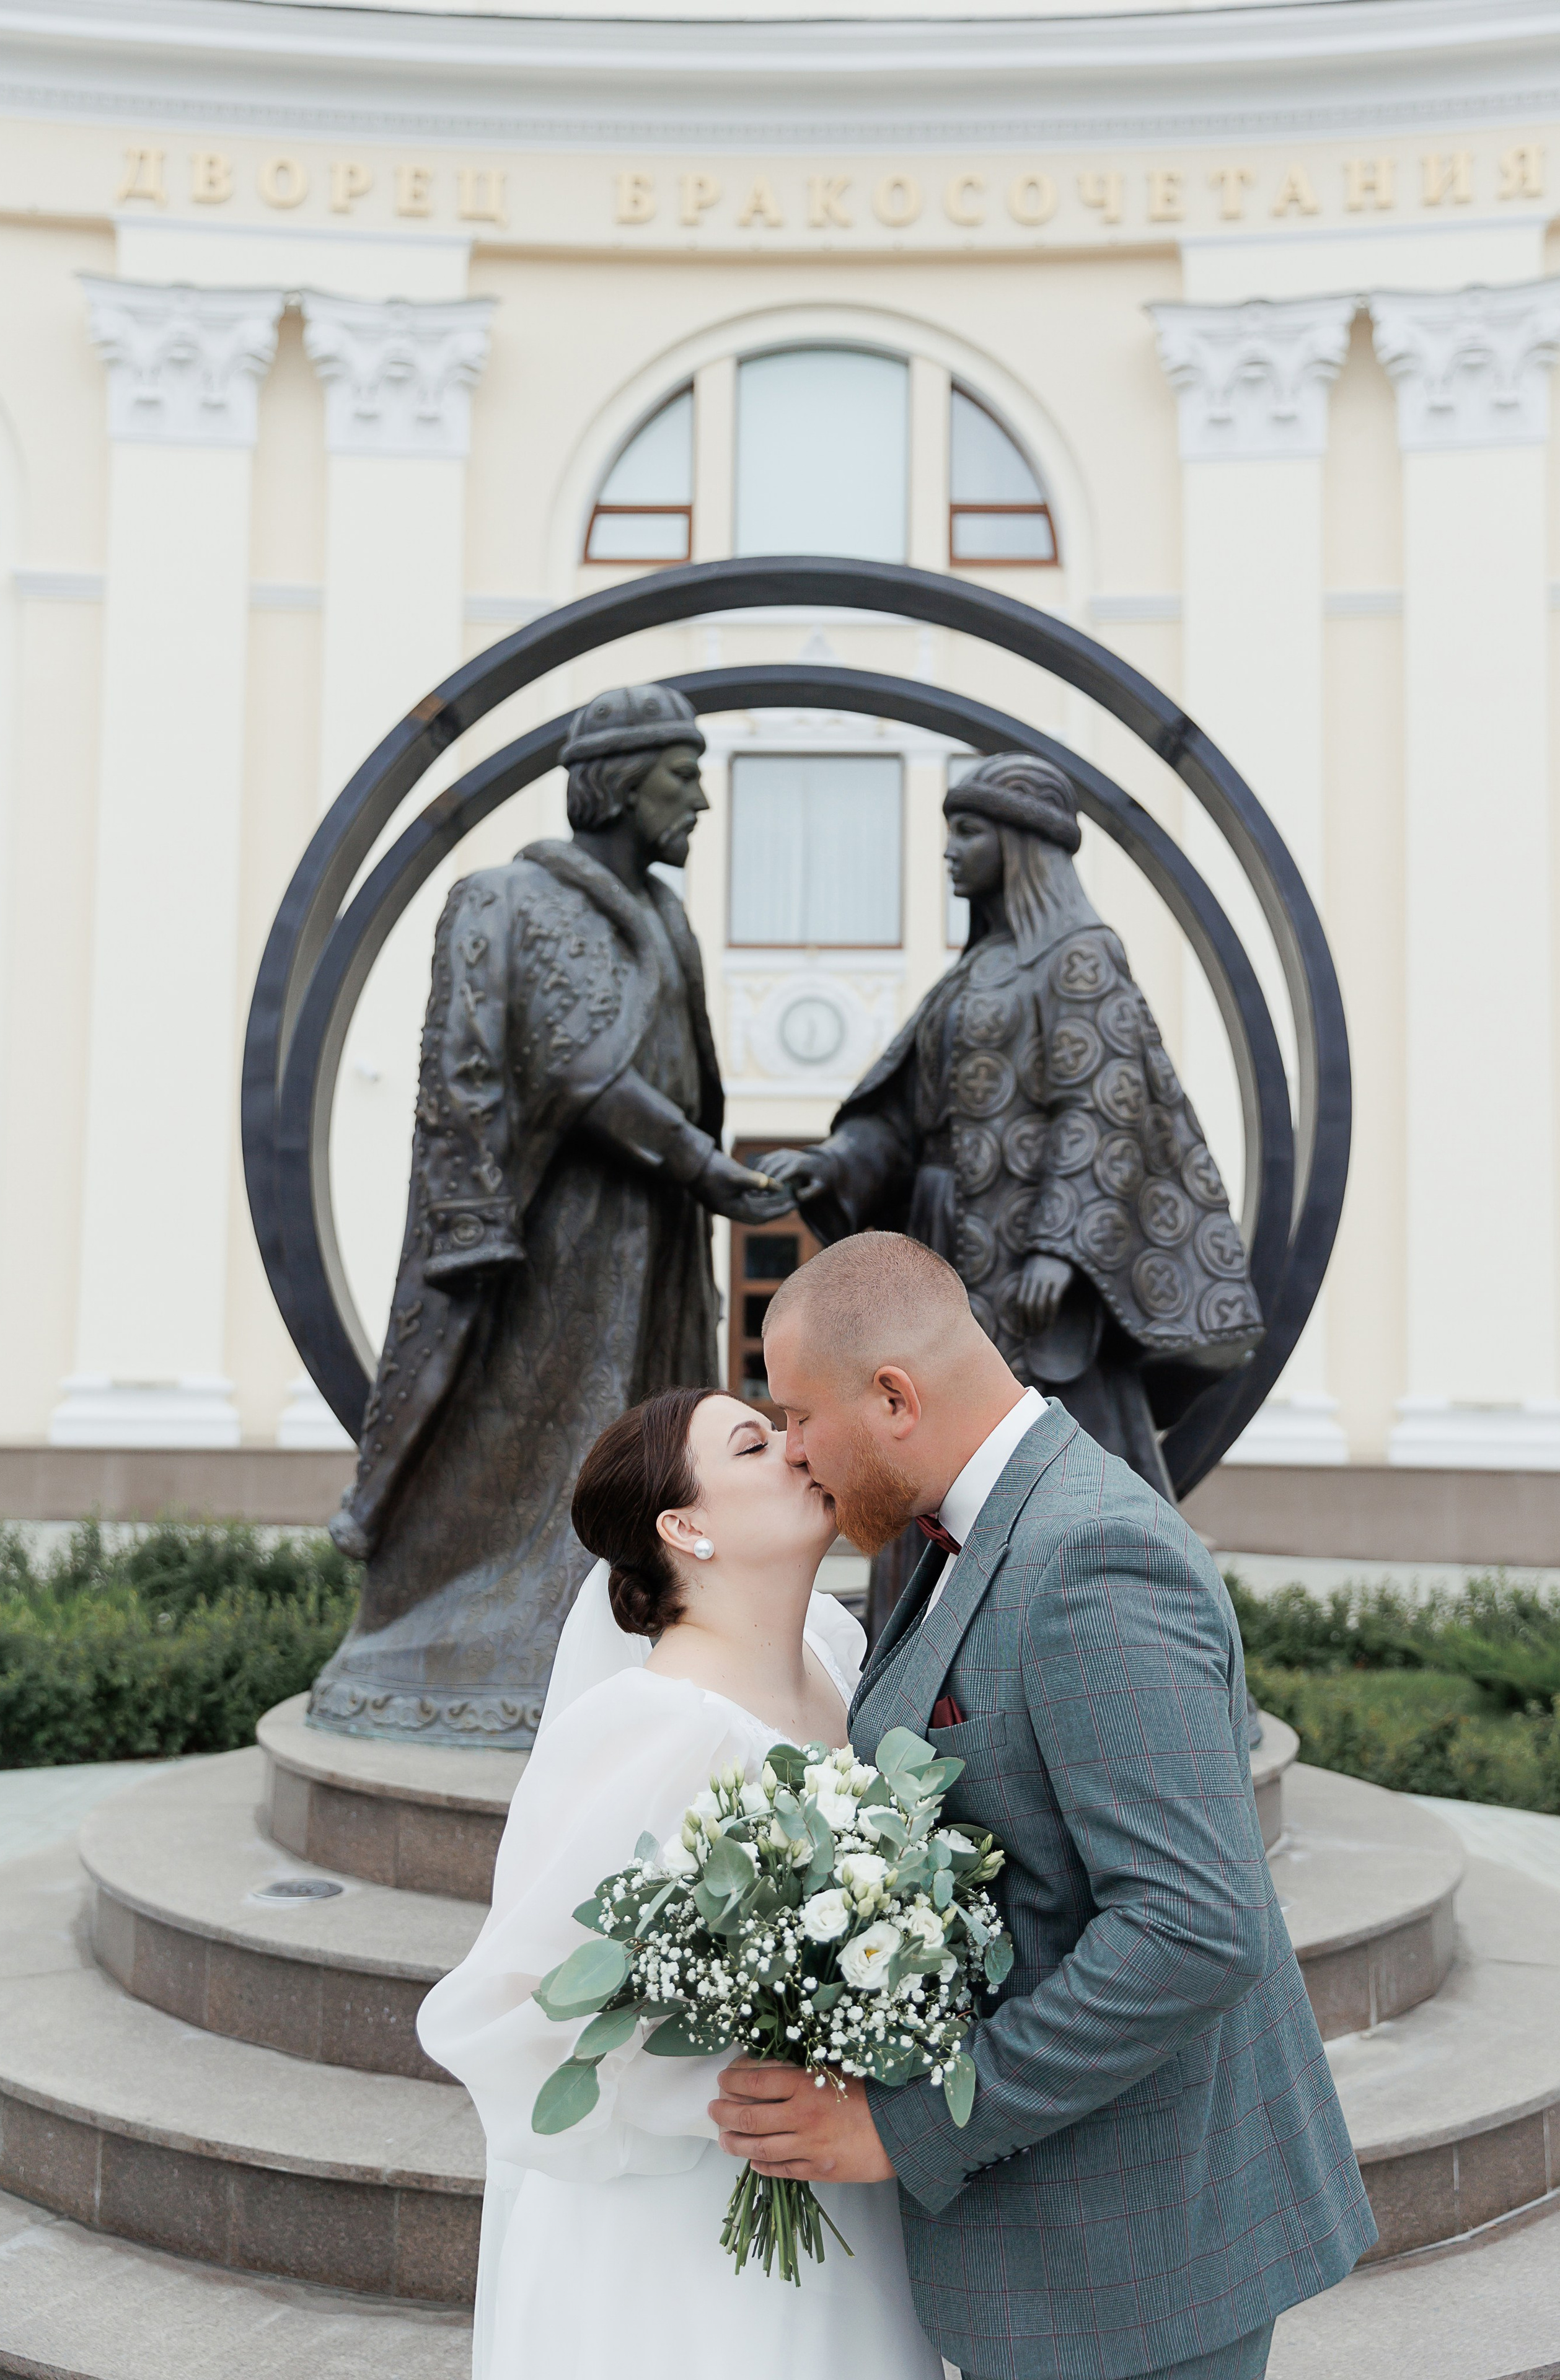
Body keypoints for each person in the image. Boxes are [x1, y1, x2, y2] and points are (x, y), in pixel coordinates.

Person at [710, 1229, 1375, 2380]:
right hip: (1066, 2250)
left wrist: (900, 2127)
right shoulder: (961, 1527)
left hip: (1141, 2264)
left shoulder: (1094, 1556)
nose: (800, 1454)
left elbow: (1191, 1927)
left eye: (803, 1417)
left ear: (896, 1397)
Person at [415, 1385, 945, 2380]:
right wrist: (737, 2081)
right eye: (754, 1444)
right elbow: (511, 2010)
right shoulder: (646, 1730)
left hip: (854, 2193)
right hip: (687, 2232)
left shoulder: (839, 1657)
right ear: (685, 1526)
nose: (797, 1448)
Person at [313, 683, 788, 1748]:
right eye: (684, 775)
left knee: (658, 1442)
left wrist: (706, 1175)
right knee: (542, 1444)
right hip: (553, 1245)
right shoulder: (513, 899)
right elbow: (574, 1070)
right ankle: (495, 1647)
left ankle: (644, 1629)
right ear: (619, 783)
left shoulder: (668, 920)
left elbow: (677, 1072)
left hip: (657, 1233)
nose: (702, 803)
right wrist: (705, 1163)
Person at [759, 754, 1263, 1507]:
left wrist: (1061, 1248)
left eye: (967, 832)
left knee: (1055, 1453)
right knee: (929, 1445)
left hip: (1033, 1264)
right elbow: (904, 1118)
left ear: (1021, 842)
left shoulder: (1079, 954)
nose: (948, 850)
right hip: (943, 1247)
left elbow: (1104, 1105)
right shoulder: (973, 972)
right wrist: (836, 1161)